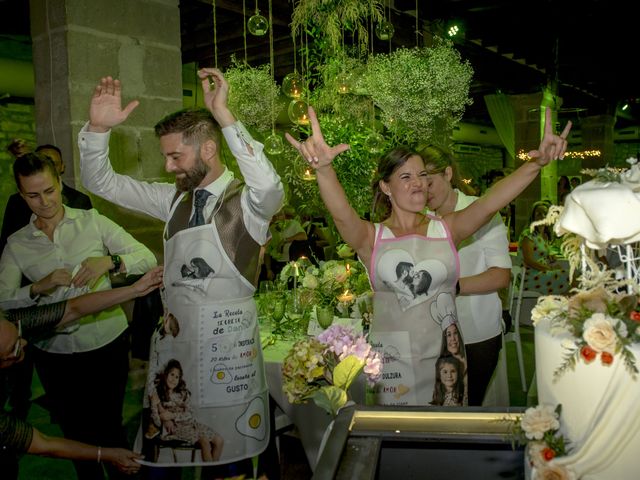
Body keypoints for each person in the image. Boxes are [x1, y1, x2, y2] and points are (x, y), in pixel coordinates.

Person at [285, 105, 570, 406]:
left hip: (446, 359)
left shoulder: (447, 228)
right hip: (393, 363)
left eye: (421, 174)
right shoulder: (371, 237)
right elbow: (342, 216)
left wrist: (536, 164)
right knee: (398, 443)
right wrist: (324, 169)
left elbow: (490, 203)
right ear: (386, 187)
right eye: (405, 176)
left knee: (445, 438)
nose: (418, 182)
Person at [78, 68, 283, 477]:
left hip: (229, 351)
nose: (168, 166)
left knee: (229, 461)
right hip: (176, 348)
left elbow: (271, 186)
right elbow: (101, 182)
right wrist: (97, 131)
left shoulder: (248, 203)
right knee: (164, 459)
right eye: (166, 157)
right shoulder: (171, 200)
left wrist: (224, 115)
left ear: (208, 150)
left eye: (176, 156)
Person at [0, 152, 158, 480]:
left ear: (60, 184)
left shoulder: (92, 221)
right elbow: (3, 302)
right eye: (33, 195)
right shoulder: (17, 244)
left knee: (109, 427)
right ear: (20, 195)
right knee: (74, 433)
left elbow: (145, 256)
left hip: (105, 343)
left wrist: (110, 262)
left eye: (49, 191)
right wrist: (36, 288)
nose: (44, 201)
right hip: (53, 353)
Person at [0, 266, 163, 477]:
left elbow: (72, 309)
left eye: (18, 334)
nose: (23, 343)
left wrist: (135, 289)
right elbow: (43, 444)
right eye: (12, 348)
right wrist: (106, 454)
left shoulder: (8, 325)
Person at [421, 144, 511, 406]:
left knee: (467, 409)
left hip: (476, 333)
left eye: (430, 182)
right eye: (419, 185)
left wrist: (451, 286)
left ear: (448, 174)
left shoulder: (479, 211)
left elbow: (500, 276)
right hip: (433, 334)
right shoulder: (421, 220)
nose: (425, 192)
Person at [1, 143, 92, 252]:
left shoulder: (81, 200)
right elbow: (7, 240)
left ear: (62, 167)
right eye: (33, 196)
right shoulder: (16, 201)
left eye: (53, 164)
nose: (44, 202)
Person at [148, 359, 224, 462]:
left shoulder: (183, 393)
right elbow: (157, 421)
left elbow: (190, 413)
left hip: (193, 424)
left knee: (219, 440)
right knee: (204, 441)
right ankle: (211, 473)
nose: (173, 379)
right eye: (172, 374)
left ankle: (213, 473)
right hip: (178, 429)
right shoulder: (159, 395)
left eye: (177, 377)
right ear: (166, 374)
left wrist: (172, 415)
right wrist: (154, 406)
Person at [518, 200, 570, 295]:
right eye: (538, 214)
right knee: (568, 277)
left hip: (541, 273)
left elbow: (539, 256)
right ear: (533, 217)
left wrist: (550, 259)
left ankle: (562, 307)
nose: (542, 216)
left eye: (544, 214)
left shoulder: (544, 236)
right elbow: (529, 261)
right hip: (531, 276)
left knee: (571, 276)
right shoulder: (528, 234)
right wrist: (550, 268)